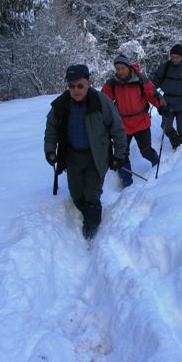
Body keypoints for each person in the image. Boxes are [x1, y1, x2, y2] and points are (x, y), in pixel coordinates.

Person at [44, 64, 127, 240]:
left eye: (80, 85)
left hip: (96, 156)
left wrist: (119, 154)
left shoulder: (101, 101)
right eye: (71, 86)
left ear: (89, 82)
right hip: (72, 155)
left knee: (92, 194)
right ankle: (86, 209)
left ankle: (91, 228)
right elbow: (51, 128)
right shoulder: (62, 104)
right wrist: (50, 150)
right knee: (76, 193)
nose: (75, 90)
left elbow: (117, 128)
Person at [102, 54, 167, 188]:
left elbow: (153, 94)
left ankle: (157, 163)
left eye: (122, 68)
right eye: (117, 68)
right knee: (122, 154)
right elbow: (103, 101)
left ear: (128, 67)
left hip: (141, 122)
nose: (119, 71)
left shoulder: (140, 80)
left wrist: (161, 106)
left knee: (146, 150)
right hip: (122, 126)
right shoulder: (112, 83)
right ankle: (127, 180)